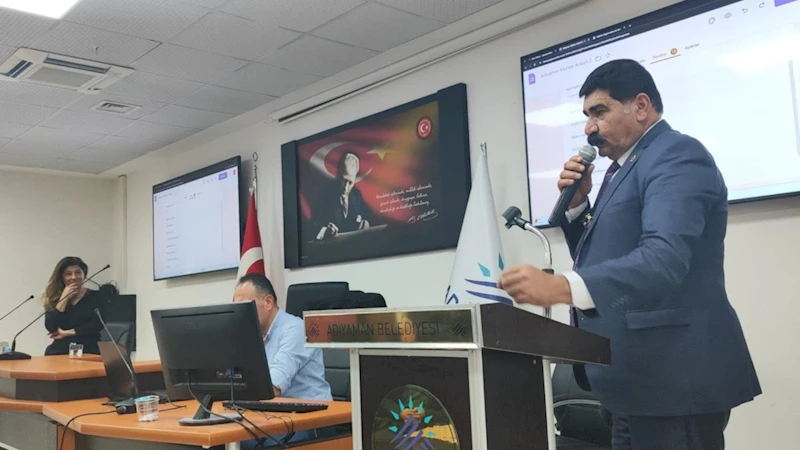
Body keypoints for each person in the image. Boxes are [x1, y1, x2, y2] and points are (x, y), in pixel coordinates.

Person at [498, 59, 761, 449]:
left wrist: (561, 287)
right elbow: (601, 254)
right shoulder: (620, 169)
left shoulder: (676, 155)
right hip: (632, 381)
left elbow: (663, 259)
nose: (589, 128)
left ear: (640, 106)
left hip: (672, 383)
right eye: (587, 116)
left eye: (599, 112)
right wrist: (578, 205)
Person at [232, 273, 333, 448]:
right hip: (273, 416)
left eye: (245, 306)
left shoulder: (295, 329)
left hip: (311, 421)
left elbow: (272, 388)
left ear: (268, 302)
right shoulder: (251, 334)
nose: (240, 314)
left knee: (239, 443)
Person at [43, 256, 108, 356]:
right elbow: (51, 327)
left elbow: (97, 325)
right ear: (61, 277)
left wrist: (67, 333)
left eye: (78, 272)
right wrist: (63, 298)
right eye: (68, 274)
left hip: (88, 349)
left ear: (84, 275)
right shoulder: (55, 298)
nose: (73, 277)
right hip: (61, 350)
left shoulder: (97, 297)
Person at [314, 151, 370, 240]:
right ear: (338, 174)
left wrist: (366, 223)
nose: (345, 187)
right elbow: (313, 225)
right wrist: (325, 231)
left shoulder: (356, 195)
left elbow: (367, 216)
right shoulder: (325, 195)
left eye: (350, 182)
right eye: (343, 180)